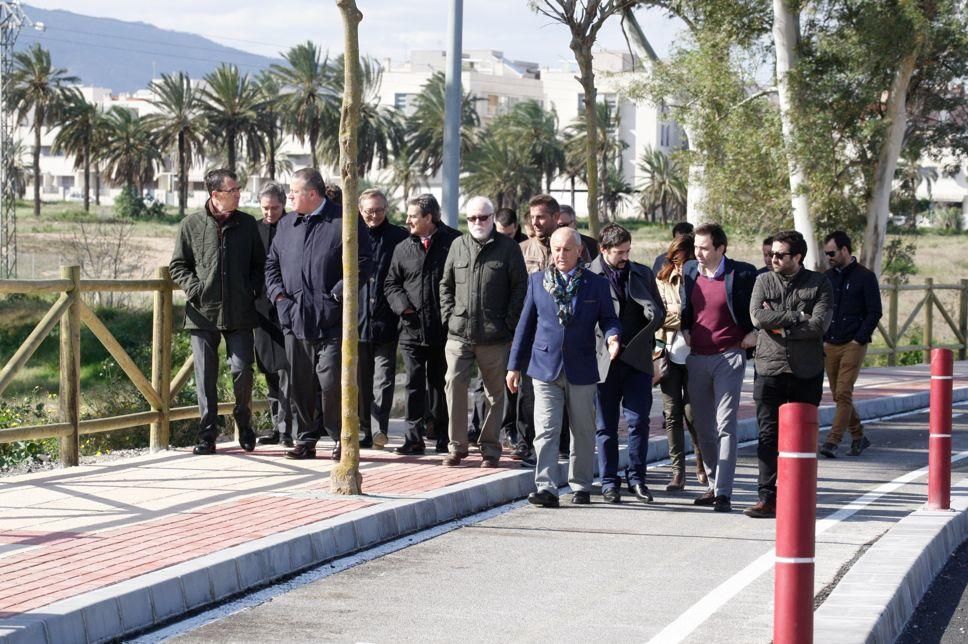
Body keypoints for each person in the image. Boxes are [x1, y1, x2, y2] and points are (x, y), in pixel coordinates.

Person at [507, 227, 621, 507]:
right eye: (556, 249)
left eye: (567, 249)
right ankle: (546, 487)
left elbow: (609, 319)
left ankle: (581, 485)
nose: (560, 254)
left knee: (582, 430)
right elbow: (525, 326)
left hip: (582, 367)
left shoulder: (596, 284)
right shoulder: (537, 282)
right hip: (545, 366)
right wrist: (514, 366)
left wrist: (613, 337)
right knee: (546, 429)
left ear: (579, 251)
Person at [264, 168, 373, 461]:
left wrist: (338, 292)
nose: (289, 196)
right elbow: (271, 265)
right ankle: (306, 438)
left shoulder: (345, 221)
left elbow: (364, 261)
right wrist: (279, 298)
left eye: (294, 192)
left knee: (330, 381)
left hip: (333, 320)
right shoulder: (287, 224)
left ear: (312, 194)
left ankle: (340, 437)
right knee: (300, 381)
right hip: (294, 317)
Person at [169, 168, 263, 455]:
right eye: (233, 190)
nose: (238, 194)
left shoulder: (248, 224)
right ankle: (206, 434)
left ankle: (243, 421)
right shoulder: (191, 224)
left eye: (238, 190)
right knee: (205, 376)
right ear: (216, 194)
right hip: (202, 313)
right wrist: (195, 289)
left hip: (240, 312)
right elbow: (178, 265)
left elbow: (260, 264)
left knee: (242, 370)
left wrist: (252, 290)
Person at [746, 230, 832, 518]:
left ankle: (798, 496)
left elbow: (819, 325)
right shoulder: (763, 280)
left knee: (801, 439)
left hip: (805, 372)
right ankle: (766, 498)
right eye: (772, 254)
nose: (773, 259)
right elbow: (758, 316)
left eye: (780, 255)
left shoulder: (820, 284)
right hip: (769, 369)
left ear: (797, 257)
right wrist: (796, 317)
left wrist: (779, 323)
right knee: (768, 437)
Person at [439, 196, 528, 467]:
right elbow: (446, 285)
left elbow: (520, 289)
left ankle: (490, 449)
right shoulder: (458, 245)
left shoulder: (508, 249)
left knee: (494, 394)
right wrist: (449, 317)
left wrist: (508, 325)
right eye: (473, 218)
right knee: (454, 385)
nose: (478, 222)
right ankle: (457, 447)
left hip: (494, 336)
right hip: (459, 333)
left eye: (484, 217)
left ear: (492, 218)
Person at [679, 222, 758, 512]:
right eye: (696, 247)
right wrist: (686, 327)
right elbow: (687, 306)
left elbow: (762, 305)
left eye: (704, 247)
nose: (697, 253)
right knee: (702, 426)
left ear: (720, 248)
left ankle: (724, 492)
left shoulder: (744, 273)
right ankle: (712, 484)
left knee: (726, 424)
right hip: (697, 357)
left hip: (729, 356)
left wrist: (756, 333)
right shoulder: (688, 271)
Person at [588, 224, 664, 503]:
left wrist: (651, 313)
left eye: (628, 250)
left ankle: (637, 479)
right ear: (603, 249)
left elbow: (661, 312)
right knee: (605, 425)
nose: (625, 256)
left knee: (638, 422)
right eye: (619, 252)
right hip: (603, 362)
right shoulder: (588, 275)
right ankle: (609, 481)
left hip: (637, 361)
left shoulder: (641, 273)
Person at [385, 193, 461, 455]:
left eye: (413, 216)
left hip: (444, 329)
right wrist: (403, 306)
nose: (407, 221)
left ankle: (442, 435)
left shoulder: (454, 242)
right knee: (413, 384)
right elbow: (391, 283)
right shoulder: (403, 247)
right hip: (411, 329)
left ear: (429, 217)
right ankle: (413, 438)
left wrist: (453, 315)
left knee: (441, 383)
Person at [820, 230, 882, 458]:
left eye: (832, 252)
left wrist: (860, 338)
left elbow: (875, 311)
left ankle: (832, 441)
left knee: (844, 393)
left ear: (845, 250)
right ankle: (858, 436)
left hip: (853, 344)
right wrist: (823, 337)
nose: (829, 257)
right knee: (838, 395)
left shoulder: (865, 277)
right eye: (826, 253)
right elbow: (822, 309)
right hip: (830, 343)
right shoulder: (827, 277)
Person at [655, 233, 706, 491]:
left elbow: (706, 317)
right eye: (676, 261)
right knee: (672, 413)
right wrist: (681, 317)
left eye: (685, 261)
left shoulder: (704, 281)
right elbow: (658, 316)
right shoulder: (663, 279)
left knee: (693, 414)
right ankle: (678, 472)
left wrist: (681, 316)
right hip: (668, 354)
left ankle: (701, 463)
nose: (680, 266)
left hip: (697, 355)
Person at [358, 189, 408, 450]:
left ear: (386, 210)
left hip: (386, 321)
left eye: (378, 210)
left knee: (383, 379)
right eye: (369, 211)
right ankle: (364, 430)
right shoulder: (351, 234)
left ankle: (380, 430)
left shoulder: (398, 237)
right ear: (360, 210)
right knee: (360, 381)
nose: (374, 216)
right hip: (356, 322)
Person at [253, 182, 293, 448]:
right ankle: (278, 425)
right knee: (268, 368)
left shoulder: (294, 226)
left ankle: (289, 427)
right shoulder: (253, 230)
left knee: (289, 370)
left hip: (289, 308)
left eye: (274, 208)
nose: (269, 213)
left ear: (283, 205)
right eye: (265, 208)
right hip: (261, 311)